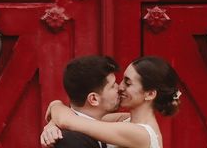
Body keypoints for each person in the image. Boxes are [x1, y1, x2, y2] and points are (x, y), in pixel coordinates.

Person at [43, 56, 181, 148]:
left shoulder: (141, 134)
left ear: (150, 94)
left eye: (128, 83)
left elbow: (69, 120)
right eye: (121, 80)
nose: (120, 87)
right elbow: (82, 116)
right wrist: (53, 121)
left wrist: (55, 105)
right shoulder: (125, 120)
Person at [41, 55, 121, 148]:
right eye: (113, 85)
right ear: (94, 99)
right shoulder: (71, 142)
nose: (119, 87)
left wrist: (56, 105)